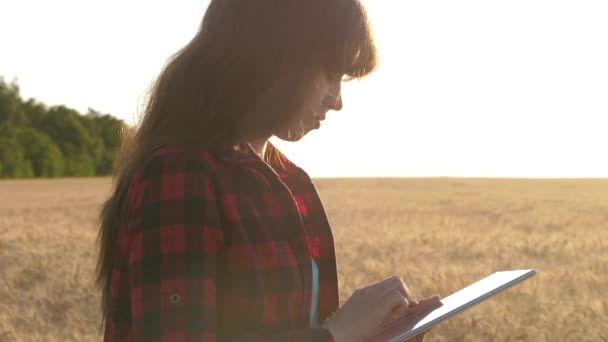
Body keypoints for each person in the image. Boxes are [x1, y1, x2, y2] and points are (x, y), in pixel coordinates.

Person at [94, 0, 442, 341]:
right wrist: (337, 333)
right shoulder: (178, 174)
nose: (336, 101)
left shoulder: (291, 180)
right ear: (276, 58)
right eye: (331, 74)